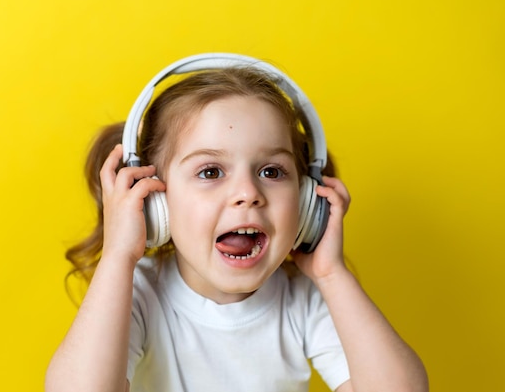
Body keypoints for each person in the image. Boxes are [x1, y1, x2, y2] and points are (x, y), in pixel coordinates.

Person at [45, 54, 428, 392]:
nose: (248, 192)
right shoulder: (140, 294)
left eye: (271, 171)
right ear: (154, 201)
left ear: (307, 202)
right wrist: (118, 257)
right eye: (211, 171)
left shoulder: (304, 300)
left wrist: (331, 274)